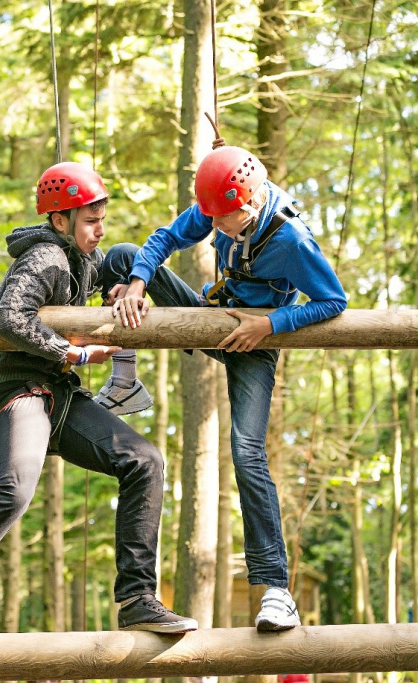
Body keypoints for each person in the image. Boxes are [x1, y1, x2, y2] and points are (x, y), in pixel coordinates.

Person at [0, 162, 197, 645]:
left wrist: (123, 289)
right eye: (90, 221)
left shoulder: (82, 258)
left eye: (102, 217)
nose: (99, 229)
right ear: (60, 221)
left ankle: (138, 599)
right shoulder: (44, 258)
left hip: (61, 395)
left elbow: (116, 265)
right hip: (17, 389)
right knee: (15, 488)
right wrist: (74, 352)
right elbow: (8, 315)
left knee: (145, 460)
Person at [108, 143, 347, 632]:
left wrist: (270, 325)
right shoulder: (219, 205)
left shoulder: (292, 241)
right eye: (211, 217)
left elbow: (332, 301)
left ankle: (277, 591)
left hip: (253, 345)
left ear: (253, 204)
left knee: (247, 453)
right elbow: (165, 238)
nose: (213, 228)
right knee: (123, 256)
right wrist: (135, 283)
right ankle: (122, 377)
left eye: (224, 221)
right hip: (208, 318)